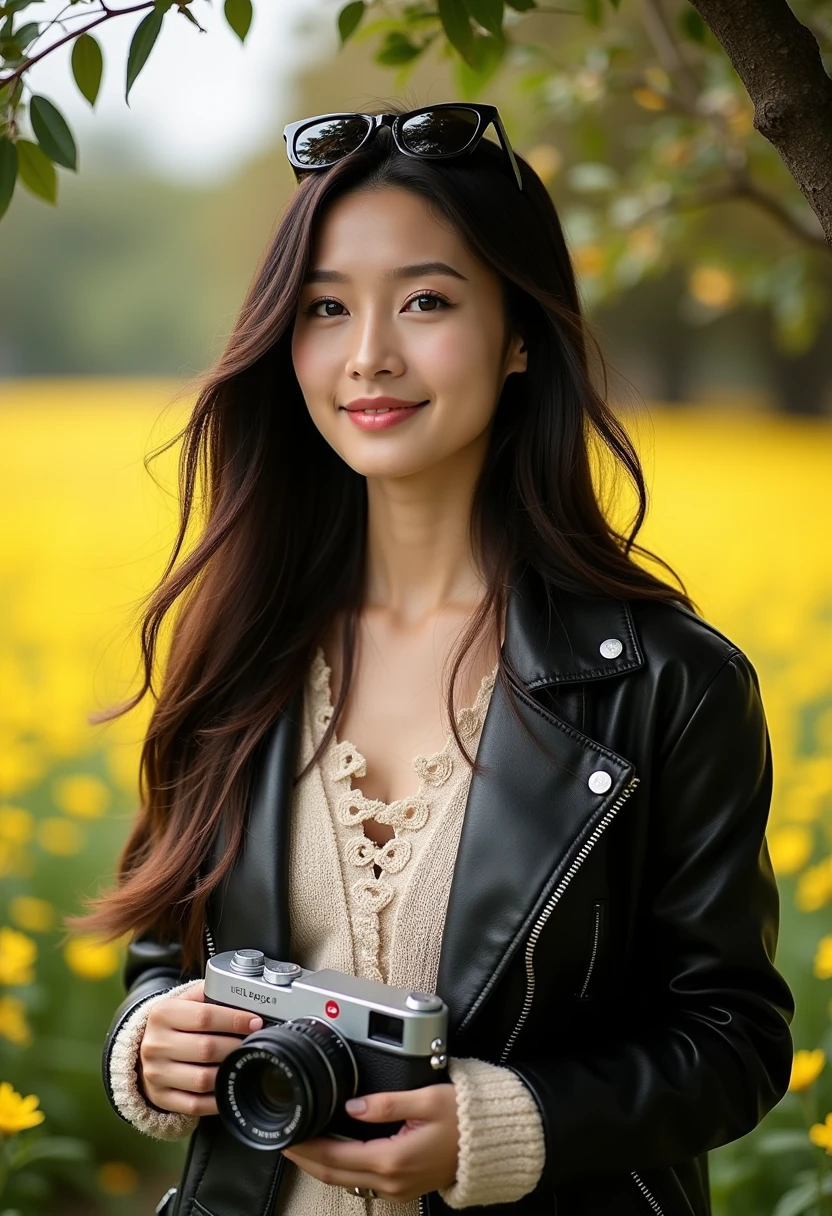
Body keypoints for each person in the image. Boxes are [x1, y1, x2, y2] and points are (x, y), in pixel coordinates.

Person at [78, 103, 794, 1216]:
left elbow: (732, 1041)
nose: (368, 355)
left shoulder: (669, 684)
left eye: (425, 300)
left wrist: (503, 1125)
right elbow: (173, 952)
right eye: (324, 307)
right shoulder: (236, 646)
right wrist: (151, 1038)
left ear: (519, 334)